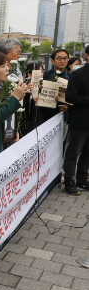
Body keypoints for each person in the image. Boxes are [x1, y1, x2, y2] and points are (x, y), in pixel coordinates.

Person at [64, 45, 89, 194]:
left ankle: (82, 179)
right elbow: (70, 97)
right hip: (79, 122)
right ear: (87, 56)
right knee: (73, 152)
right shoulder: (77, 75)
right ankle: (69, 180)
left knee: (87, 153)